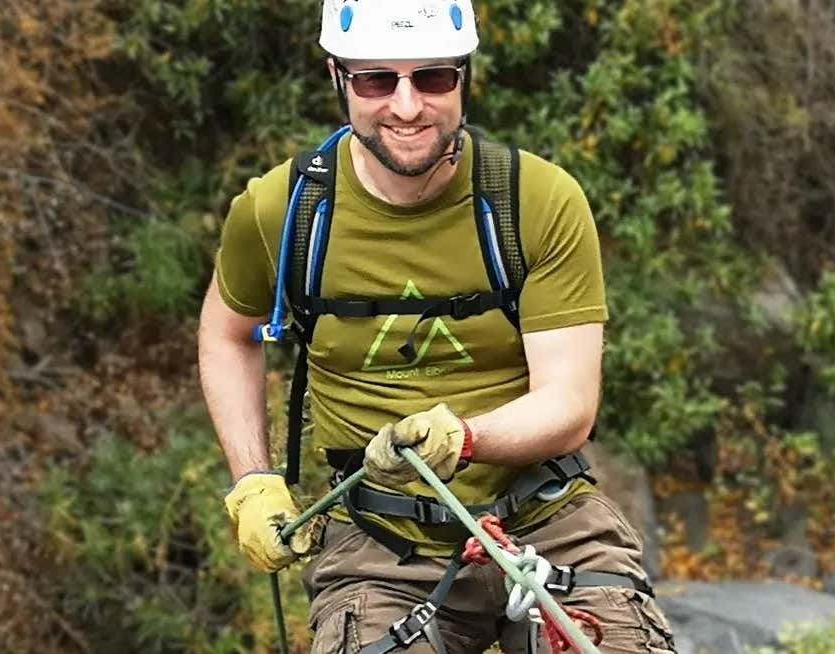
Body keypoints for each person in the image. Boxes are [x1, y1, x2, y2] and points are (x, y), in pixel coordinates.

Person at [196, 1, 677, 652]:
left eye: (432, 77)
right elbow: (229, 334)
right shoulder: (282, 213)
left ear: (464, 77)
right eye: (375, 80)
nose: (406, 105)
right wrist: (253, 480)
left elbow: (570, 404)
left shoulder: (535, 202)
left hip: (545, 513)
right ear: (339, 77)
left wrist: (467, 437)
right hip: (377, 542)